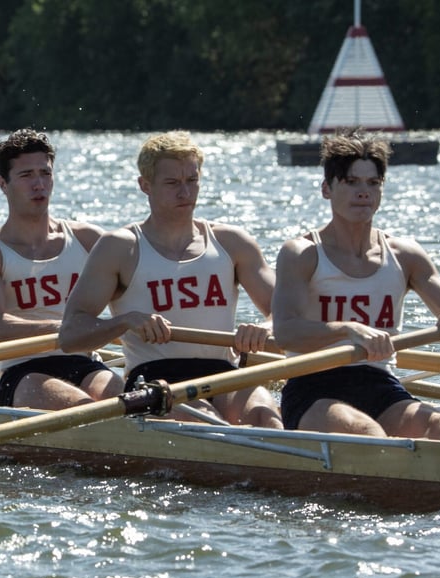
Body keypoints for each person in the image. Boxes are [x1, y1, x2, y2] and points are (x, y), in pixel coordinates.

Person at [59, 131, 281, 427]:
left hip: (223, 374)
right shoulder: (120, 247)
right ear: (145, 186)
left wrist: (264, 328)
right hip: (155, 381)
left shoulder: (232, 242)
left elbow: (286, 311)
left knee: (266, 419)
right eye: (173, 183)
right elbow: (71, 334)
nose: (185, 193)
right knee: (209, 425)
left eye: (192, 181)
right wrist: (126, 321)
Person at [271, 129, 440, 439]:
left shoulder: (405, 254)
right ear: (326, 189)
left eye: (373, 183)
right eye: (351, 182)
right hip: (312, 387)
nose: (363, 193)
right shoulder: (301, 254)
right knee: (367, 433)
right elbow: (286, 333)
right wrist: (347, 329)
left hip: (379, 383)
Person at [0, 128, 124, 409]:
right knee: (86, 407)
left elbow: (139, 289)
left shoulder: (88, 239)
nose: (39, 184)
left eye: (45, 174)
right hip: (23, 371)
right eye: (27, 176)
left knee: (131, 403)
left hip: (83, 363)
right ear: (3, 184)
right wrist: (64, 328)